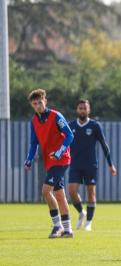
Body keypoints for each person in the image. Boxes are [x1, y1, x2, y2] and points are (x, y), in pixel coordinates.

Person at [24, 89, 74, 238]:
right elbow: (34, 143)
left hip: (62, 159)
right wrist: (29, 159)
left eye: (40, 102)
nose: (38, 105)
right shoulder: (34, 121)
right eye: (35, 103)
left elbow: (70, 135)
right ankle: (68, 230)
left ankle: (57, 226)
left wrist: (59, 152)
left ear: (45, 101)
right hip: (49, 161)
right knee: (59, 195)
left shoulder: (56, 116)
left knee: (46, 191)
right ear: (32, 105)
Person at [68, 100, 116, 231]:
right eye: (80, 108)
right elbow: (63, 143)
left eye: (85, 108)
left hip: (90, 164)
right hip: (75, 164)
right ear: (77, 110)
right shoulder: (70, 125)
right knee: (72, 191)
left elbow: (104, 145)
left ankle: (88, 222)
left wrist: (110, 164)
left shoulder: (95, 125)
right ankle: (81, 212)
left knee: (91, 193)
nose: (82, 110)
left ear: (89, 110)